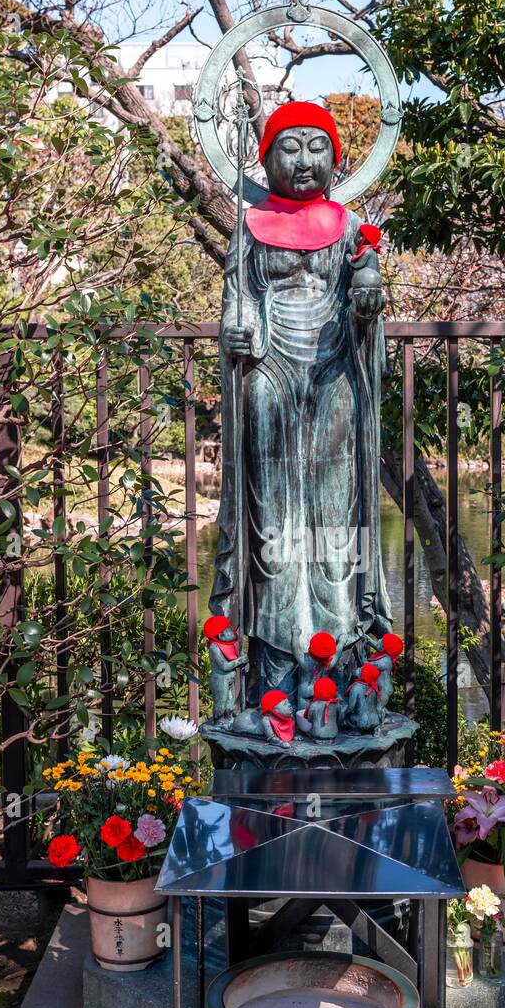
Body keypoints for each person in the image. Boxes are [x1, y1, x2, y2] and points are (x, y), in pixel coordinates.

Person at [208, 100, 391, 709]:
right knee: (272, 518)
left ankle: (333, 667)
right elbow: (239, 297)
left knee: (333, 519)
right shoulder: (248, 226)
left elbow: (366, 302)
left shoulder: (348, 229)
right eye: (290, 146)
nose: (305, 160)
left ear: (337, 157)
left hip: (335, 373)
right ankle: (274, 676)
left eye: (318, 146)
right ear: (266, 158)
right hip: (270, 372)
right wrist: (235, 327)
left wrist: (368, 297)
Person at [203, 614, 247, 727]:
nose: (232, 631)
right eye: (229, 629)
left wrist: (244, 664)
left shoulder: (228, 646)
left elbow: (234, 661)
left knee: (230, 702)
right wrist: (239, 661)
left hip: (230, 678)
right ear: (221, 635)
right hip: (220, 679)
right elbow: (224, 666)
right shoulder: (215, 647)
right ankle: (218, 721)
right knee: (221, 702)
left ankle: (229, 718)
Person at [346, 661, 384, 734]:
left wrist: (344, 712)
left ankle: (357, 731)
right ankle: (375, 729)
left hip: (362, 722)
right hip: (376, 721)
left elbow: (351, 707)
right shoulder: (374, 687)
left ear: (363, 675)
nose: (358, 669)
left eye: (361, 669)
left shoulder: (356, 687)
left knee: (346, 718)